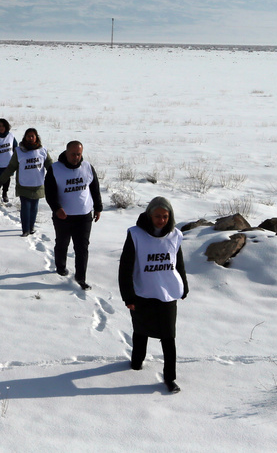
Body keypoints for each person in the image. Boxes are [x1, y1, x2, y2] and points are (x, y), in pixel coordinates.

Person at [119, 196, 188, 394]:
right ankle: (137, 361)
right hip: (142, 291)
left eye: (165, 216)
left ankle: (170, 378)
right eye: (157, 216)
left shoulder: (175, 235)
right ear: (149, 215)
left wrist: (183, 286)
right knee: (141, 328)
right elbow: (125, 267)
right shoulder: (136, 235)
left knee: (168, 335)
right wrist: (128, 296)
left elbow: (178, 263)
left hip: (167, 292)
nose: (161, 220)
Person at [44, 140, 103, 290]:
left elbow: (94, 188)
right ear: (66, 152)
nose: (76, 157)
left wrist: (98, 208)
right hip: (63, 216)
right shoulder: (55, 169)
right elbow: (49, 193)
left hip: (84, 216)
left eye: (79, 154)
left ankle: (80, 278)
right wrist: (57, 209)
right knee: (62, 243)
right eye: (73, 154)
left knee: (82, 247)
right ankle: (60, 267)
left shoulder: (87, 167)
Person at [2, 128, 52, 236]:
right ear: (25, 137)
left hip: (38, 184)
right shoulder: (19, 151)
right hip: (23, 184)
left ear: (36, 137)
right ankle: (25, 229)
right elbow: (11, 166)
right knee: (25, 207)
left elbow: (50, 165)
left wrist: (58, 175)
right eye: (28, 136)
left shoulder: (42, 150)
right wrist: (2, 179)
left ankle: (31, 227)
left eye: (32, 136)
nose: (30, 138)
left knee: (34, 208)